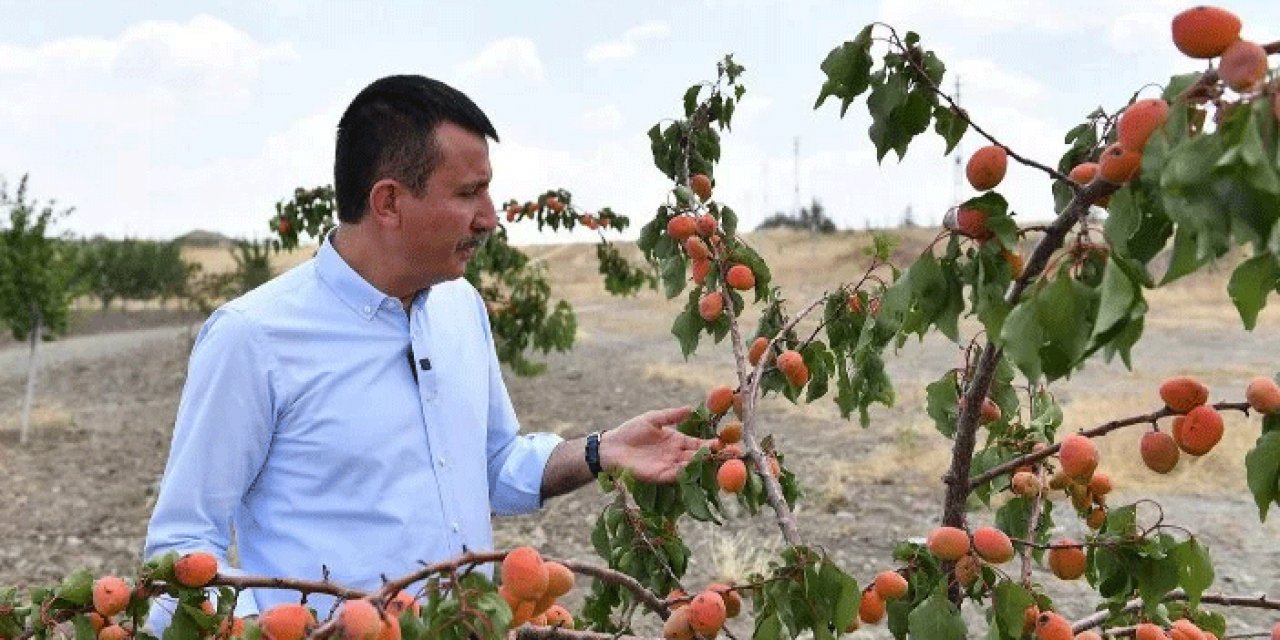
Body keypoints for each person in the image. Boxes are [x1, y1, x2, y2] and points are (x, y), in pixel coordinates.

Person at [143, 75, 708, 623]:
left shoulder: (461, 308)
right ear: (388, 202)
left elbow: (494, 465)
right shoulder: (254, 338)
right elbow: (181, 549)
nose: (490, 217)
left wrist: (599, 450)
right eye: (468, 193)